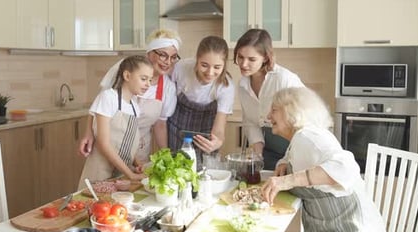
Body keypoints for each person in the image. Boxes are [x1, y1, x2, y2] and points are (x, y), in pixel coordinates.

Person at [261, 87, 388, 232]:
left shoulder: (307, 137)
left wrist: (287, 180)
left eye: (274, 110)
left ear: (291, 111)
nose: (268, 116)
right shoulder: (302, 138)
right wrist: (283, 164)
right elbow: (291, 156)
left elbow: (346, 167)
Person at [78, 29, 181, 165]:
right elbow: (100, 104)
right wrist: (88, 132)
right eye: (163, 55)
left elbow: (160, 125)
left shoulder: (168, 87)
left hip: (139, 151)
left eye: (173, 57)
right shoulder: (126, 68)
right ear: (149, 53)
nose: (168, 62)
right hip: (109, 146)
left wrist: (166, 155)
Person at [77, 55, 152, 188]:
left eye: (150, 80)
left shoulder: (135, 107)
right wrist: (130, 174)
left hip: (121, 174)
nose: (148, 84)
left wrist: (137, 163)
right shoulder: (108, 98)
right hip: (100, 173)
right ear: (127, 76)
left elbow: (126, 144)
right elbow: (103, 143)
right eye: (144, 79)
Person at [234, 29, 304, 170]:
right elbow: (251, 122)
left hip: (296, 149)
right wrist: (258, 155)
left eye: (251, 59)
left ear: (265, 57)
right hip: (268, 150)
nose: (243, 64)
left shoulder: (285, 80)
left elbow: (304, 122)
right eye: (240, 57)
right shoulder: (243, 85)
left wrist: (287, 159)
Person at [168, 36, 235, 170]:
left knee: (204, 172)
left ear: (224, 65)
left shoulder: (226, 86)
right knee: (175, 169)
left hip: (206, 131)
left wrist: (217, 141)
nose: (210, 73)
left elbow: (220, 126)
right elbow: (165, 94)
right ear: (196, 59)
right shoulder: (181, 68)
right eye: (204, 65)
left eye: (217, 67)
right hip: (177, 127)